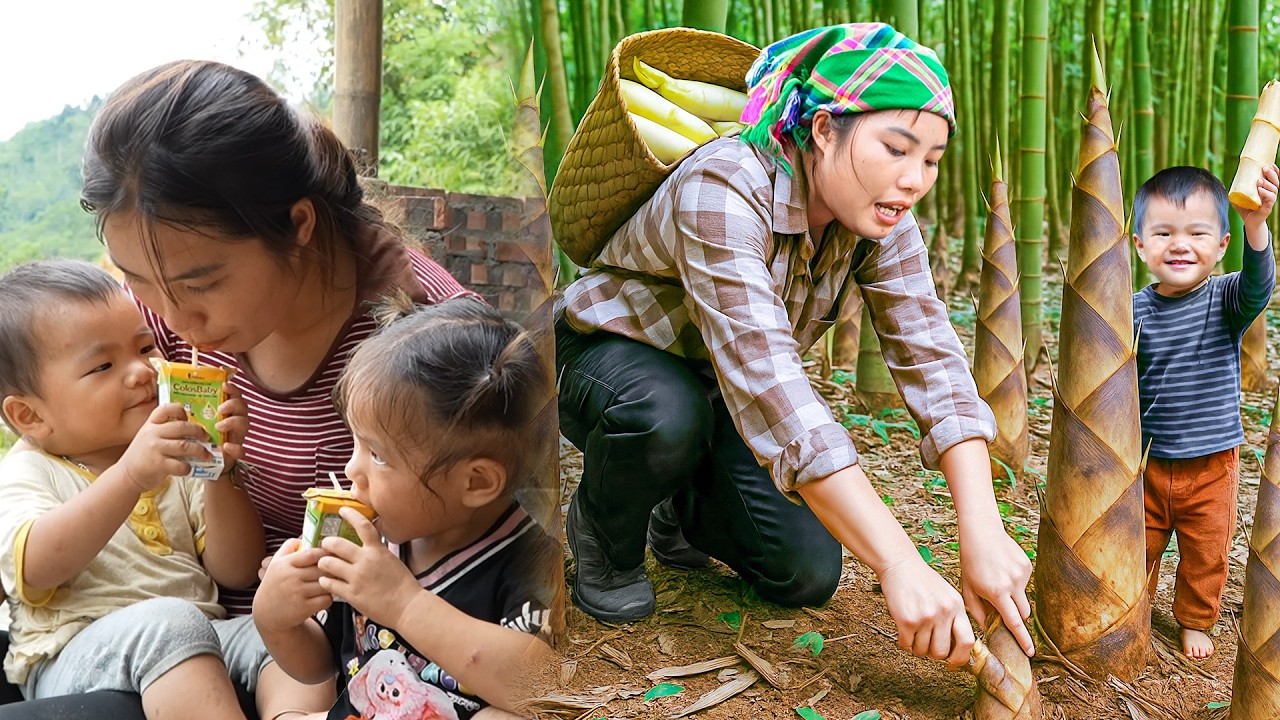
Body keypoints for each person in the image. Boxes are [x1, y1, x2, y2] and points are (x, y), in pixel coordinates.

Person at [0, 58, 483, 719]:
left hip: (341, 657)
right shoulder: (140, 332)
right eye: (136, 280)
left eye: (200, 284)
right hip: (149, 654)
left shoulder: (426, 337)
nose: (171, 321)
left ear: (298, 225)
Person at [556, 22, 1033, 668]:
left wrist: (984, 530)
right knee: (666, 415)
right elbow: (774, 387)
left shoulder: (883, 218)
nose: (914, 179)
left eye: (930, 160)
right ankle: (602, 537)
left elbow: (933, 356)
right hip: (609, 357)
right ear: (824, 131)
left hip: (722, 385)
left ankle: (679, 504)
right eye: (896, 149)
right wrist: (899, 561)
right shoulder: (723, 185)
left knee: (804, 569)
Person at [0, 260, 330, 719]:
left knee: (287, 632)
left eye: (145, 347)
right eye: (103, 365)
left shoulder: (173, 456)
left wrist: (220, 471)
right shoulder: (29, 471)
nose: (142, 370)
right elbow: (35, 568)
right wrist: (130, 476)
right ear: (30, 416)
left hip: (199, 637)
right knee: (171, 621)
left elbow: (235, 571)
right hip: (75, 655)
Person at [253, 297, 558, 720]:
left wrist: (404, 604)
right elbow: (322, 664)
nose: (351, 469)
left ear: (476, 482)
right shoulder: (373, 542)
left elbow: (542, 686)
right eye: (356, 443)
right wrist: (275, 618)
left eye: (378, 455)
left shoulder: (532, 565)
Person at [1132, 165, 1278, 658]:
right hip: (1148, 462)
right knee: (1139, 543)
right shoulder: (1133, 309)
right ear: (1139, 245)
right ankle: (1132, 604)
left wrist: (1255, 224)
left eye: (1197, 233)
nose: (1179, 245)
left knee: (1206, 551)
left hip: (1212, 465)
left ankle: (1195, 619)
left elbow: (1259, 286)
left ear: (1220, 245)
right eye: (1163, 233)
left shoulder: (1225, 299)